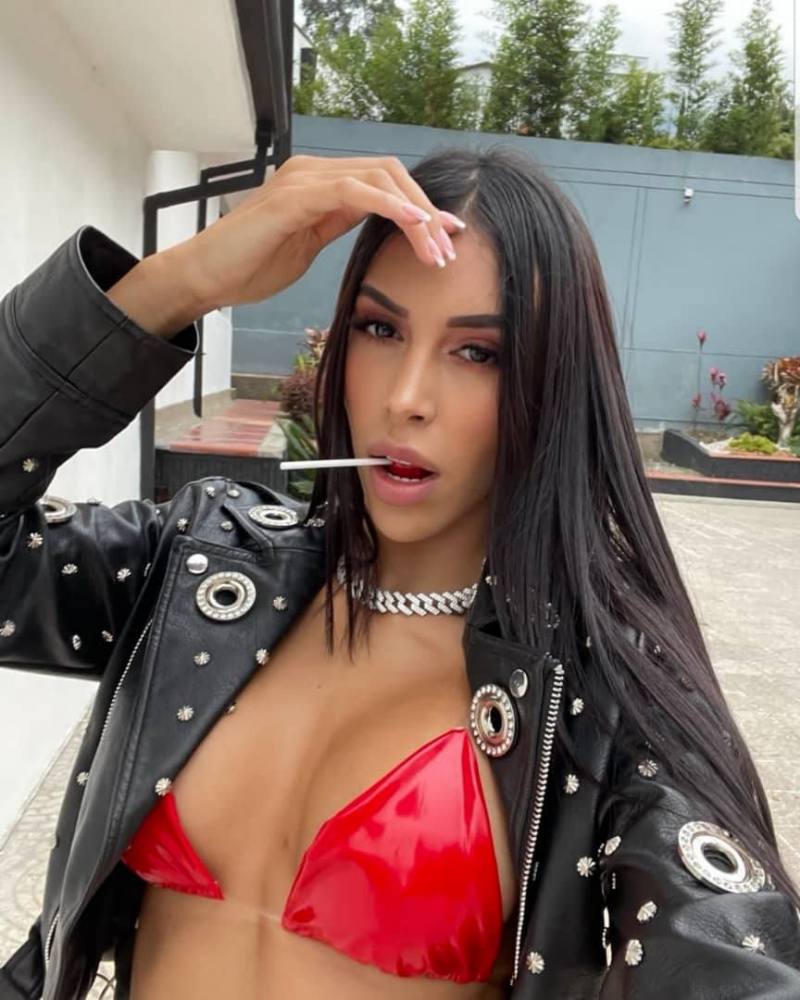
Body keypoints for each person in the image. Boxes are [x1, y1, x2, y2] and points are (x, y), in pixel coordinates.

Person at [0, 145, 799, 1000]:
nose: (405, 397)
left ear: (554, 387)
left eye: (478, 353)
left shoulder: (602, 693)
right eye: (380, 330)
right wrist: (177, 283)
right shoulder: (201, 570)